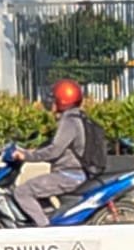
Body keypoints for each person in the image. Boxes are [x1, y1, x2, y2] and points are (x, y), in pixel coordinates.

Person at [8, 79, 94, 227]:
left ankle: (45, 230)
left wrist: (27, 156)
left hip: (69, 175)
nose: (51, 102)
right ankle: (50, 220)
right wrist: (33, 150)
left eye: (54, 98)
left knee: (23, 191)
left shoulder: (69, 122)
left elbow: (54, 151)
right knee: (38, 191)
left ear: (63, 101)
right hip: (72, 173)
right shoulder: (76, 117)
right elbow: (59, 146)